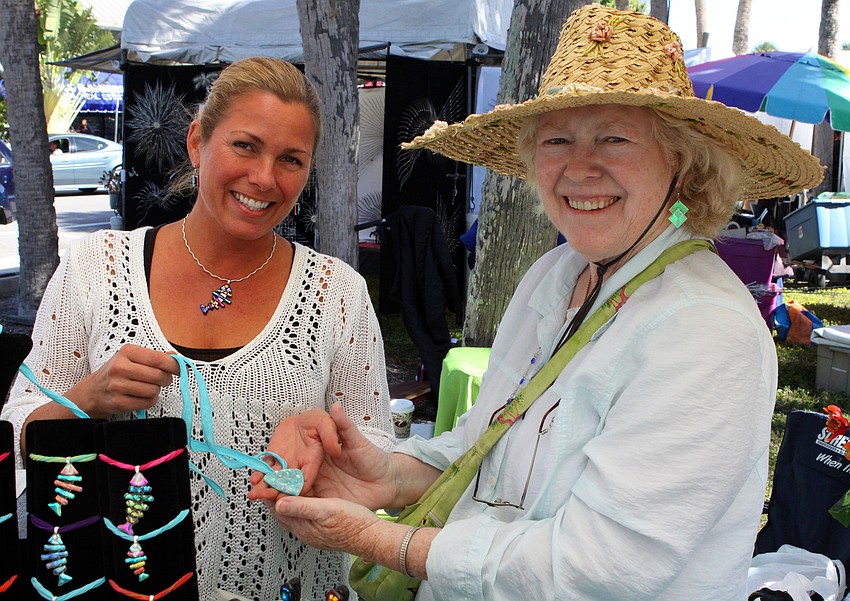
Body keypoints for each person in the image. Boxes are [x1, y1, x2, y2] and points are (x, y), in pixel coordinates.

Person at [256, 6, 824, 601]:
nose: (579, 168)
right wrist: (388, 475)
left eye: (614, 137)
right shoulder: (559, 272)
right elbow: (488, 443)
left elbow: (601, 568)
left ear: (680, 164)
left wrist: (382, 542)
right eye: (557, 140)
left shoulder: (706, 328)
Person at [2, 56, 394, 600]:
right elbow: (16, 435)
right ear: (196, 142)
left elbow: (376, 454)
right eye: (245, 146)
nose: (264, 178)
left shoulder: (336, 295)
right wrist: (86, 398)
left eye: (291, 159)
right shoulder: (97, 270)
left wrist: (320, 439)